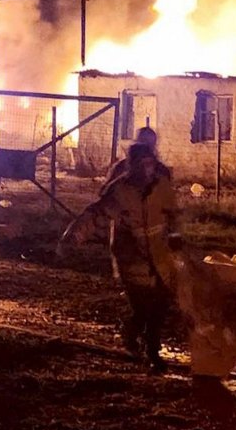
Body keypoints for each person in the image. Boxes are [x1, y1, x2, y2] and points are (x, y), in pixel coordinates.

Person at [64, 141, 183, 370]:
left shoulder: (161, 186)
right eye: (141, 164)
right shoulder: (119, 191)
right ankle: (146, 345)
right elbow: (95, 214)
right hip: (131, 257)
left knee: (161, 302)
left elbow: (173, 213)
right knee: (143, 305)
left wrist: (176, 236)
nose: (146, 170)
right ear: (132, 166)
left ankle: (143, 340)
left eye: (149, 164)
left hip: (159, 255)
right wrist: (73, 237)